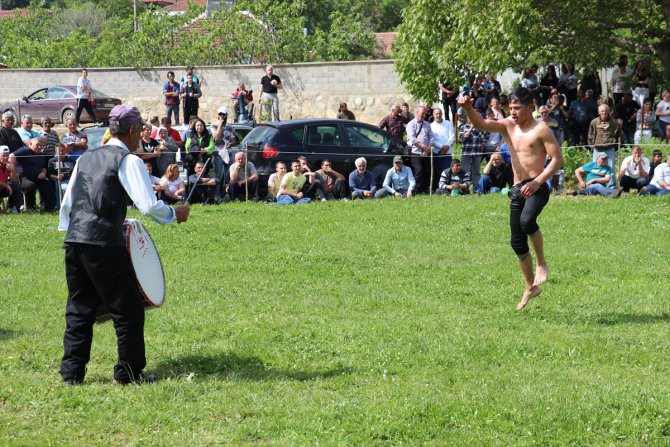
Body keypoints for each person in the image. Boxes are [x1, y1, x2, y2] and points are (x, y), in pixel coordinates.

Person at [58, 104, 189, 386]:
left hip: (75, 239)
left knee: (79, 308)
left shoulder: (86, 158)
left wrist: (72, 233)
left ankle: (71, 374)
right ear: (131, 131)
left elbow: (68, 202)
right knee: (127, 308)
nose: (142, 134)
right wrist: (173, 214)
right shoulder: (129, 160)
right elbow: (147, 205)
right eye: (141, 129)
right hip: (103, 241)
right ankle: (129, 373)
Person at [458, 87, 563, 311]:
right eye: (510, 108)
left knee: (527, 222)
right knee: (516, 241)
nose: (513, 112)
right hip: (517, 188)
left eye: (517, 108)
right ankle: (530, 287)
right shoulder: (507, 125)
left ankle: (542, 263)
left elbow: (557, 160)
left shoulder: (541, 130)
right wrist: (468, 107)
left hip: (537, 186)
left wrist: (538, 181)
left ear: (530, 107)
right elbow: (481, 124)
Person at [14, 137, 55, 212]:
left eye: (41, 145)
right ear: (30, 144)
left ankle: (50, 208)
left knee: (48, 184)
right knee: (30, 185)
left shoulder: (41, 155)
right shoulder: (24, 150)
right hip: (24, 178)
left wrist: (43, 173)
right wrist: (13, 171)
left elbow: (43, 167)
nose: (39, 147)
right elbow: (11, 156)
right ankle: (30, 206)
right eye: (37, 145)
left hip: (38, 178)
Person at [588, 104, 621, 187]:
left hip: (609, 149)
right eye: (602, 111)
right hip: (597, 149)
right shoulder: (594, 122)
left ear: (608, 112)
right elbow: (590, 135)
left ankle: (612, 187)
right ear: (599, 112)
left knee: (611, 168)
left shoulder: (614, 122)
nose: (604, 113)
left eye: (606, 111)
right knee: (596, 169)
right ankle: (597, 186)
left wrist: (615, 146)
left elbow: (617, 135)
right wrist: (592, 147)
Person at [406, 105, 434, 194]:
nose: (423, 115)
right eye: (422, 113)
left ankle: (426, 189)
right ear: (417, 113)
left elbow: (431, 137)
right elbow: (412, 139)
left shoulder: (427, 124)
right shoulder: (411, 124)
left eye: (425, 114)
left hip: (426, 152)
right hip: (415, 152)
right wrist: (424, 147)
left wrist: (428, 147)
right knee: (419, 171)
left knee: (427, 171)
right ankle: (417, 190)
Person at [211, 107, 236, 200]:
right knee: (218, 174)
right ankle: (217, 195)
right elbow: (216, 138)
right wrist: (220, 124)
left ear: (226, 115)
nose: (222, 116)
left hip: (228, 152)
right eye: (220, 114)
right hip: (218, 153)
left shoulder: (230, 127)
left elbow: (234, 139)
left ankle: (227, 194)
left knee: (228, 174)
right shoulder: (214, 125)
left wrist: (231, 143)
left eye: (223, 114)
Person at [430, 108, 456, 190]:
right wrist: (441, 147)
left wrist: (446, 146)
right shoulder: (431, 126)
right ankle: (438, 189)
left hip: (447, 152)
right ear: (433, 115)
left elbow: (452, 136)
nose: (438, 115)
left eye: (440, 113)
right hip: (437, 152)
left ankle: (447, 188)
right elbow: (432, 140)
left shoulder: (448, 123)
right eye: (436, 114)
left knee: (447, 171)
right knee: (438, 172)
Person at [459, 115, 486, 191]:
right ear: (467, 119)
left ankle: (476, 189)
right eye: (471, 118)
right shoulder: (463, 127)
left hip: (477, 153)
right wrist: (471, 128)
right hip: (467, 152)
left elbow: (484, 137)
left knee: (476, 172)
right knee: (464, 171)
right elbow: (463, 139)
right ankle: (464, 189)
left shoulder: (480, 127)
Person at [0, 145, 21, 213]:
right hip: (3, 186)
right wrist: (6, 185)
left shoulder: (10, 164)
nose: (6, 158)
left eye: (7, 155)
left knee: (16, 186)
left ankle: (15, 208)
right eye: (3, 155)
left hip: (3, 189)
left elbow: (15, 180)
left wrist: (12, 171)